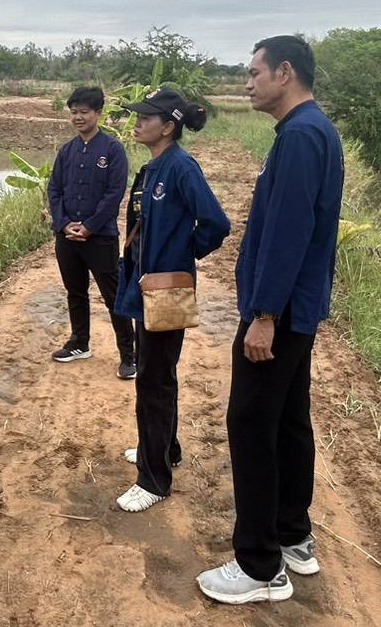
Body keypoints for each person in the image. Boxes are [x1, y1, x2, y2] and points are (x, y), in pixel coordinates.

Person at [197, 35, 344, 605]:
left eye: (254, 73)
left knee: (252, 424)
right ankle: (292, 536)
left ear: (285, 72)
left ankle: (259, 566)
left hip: (277, 313)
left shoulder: (302, 137)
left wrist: (264, 315)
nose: (248, 83)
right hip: (295, 309)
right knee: (287, 421)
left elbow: (288, 234)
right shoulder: (309, 131)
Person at [110, 85, 230, 513]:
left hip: (167, 291)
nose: (138, 122)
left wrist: (184, 252)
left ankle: (153, 479)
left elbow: (216, 223)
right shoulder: (153, 168)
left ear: (168, 126)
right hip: (145, 287)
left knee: (153, 382)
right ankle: (163, 447)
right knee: (158, 373)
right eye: (138, 116)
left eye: (146, 117)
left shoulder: (181, 167)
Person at [46, 85, 136, 377]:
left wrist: (89, 227)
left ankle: (129, 355)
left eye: (84, 112)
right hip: (67, 238)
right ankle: (79, 343)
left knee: (113, 295)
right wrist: (63, 223)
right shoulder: (67, 151)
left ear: (98, 113)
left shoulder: (112, 150)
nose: (78, 117)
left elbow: (114, 193)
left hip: (100, 237)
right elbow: (55, 189)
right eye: (74, 112)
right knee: (75, 292)